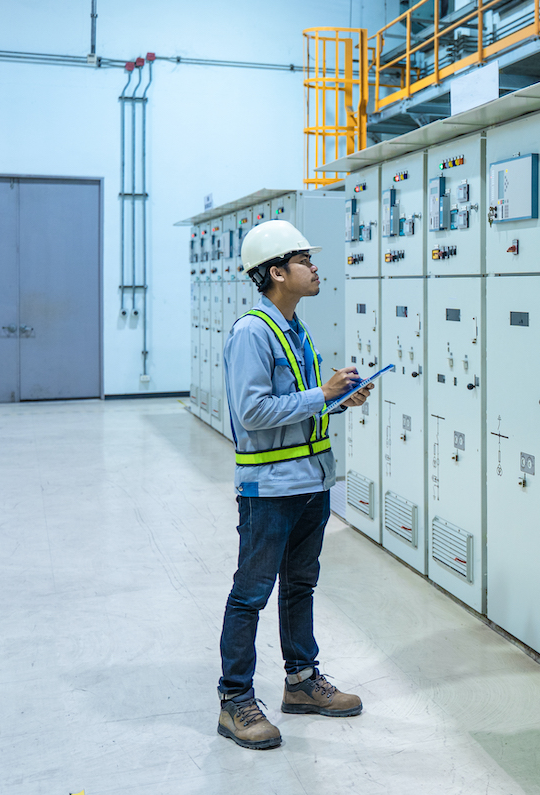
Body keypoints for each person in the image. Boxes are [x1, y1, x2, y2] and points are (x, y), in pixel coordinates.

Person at [216, 219, 373, 750]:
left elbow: (296, 408)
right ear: (277, 272)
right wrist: (318, 395)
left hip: (310, 482)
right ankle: (235, 700)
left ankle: (302, 682)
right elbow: (253, 410)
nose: (314, 267)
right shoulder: (252, 332)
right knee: (251, 593)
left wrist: (335, 400)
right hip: (270, 488)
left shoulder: (295, 329)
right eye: (304, 260)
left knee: (300, 585)